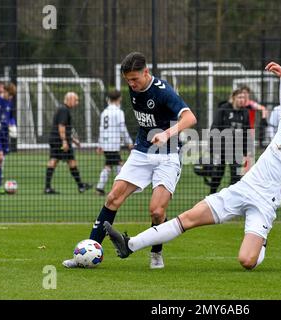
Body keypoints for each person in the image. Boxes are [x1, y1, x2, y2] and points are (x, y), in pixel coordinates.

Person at [103, 61, 281, 271]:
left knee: (247, 261)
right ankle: (130, 244)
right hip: (241, 189)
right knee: (187, 218)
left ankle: (260, 243)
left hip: (264, 206)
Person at [62, 52, 197, 269]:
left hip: (168, 154)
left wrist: (166, 134)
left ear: (146, 72)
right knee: (113, 197)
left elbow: (190, 117)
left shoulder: (163, 91)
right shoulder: (133, 88)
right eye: (128, 80)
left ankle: (156, 252)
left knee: (157, 211)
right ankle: (88, 252)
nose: (131, 84)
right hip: (142, 151)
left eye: (135, 79)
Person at [44, 92, 92, 194]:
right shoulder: (64, 110)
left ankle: (48, 188)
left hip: (56, 139)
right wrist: (64, 141)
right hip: (60, 140)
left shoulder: (63, 109)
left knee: (59, 160)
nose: (77, 102)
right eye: (76, 100)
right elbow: (61, 126)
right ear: (69, 99)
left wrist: (74, 140)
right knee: (67, 161)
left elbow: (65, 128)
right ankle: (80, 186)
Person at [206, 89, 252, 194]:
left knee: (236, 175)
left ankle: (230, 196)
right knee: (218, 173)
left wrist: (246, 152)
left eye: (243, 98)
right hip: (222, 147)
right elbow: (215, 128)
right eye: (239, 97)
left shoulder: (245, 112)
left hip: (236, 149)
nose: (242, 100)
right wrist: (213, 147)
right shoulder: (223, 109)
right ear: (233, 98)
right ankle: (212, 194)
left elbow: (246, 132)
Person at [95, 90, 134, 196]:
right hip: (113, 143)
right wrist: (129, 142)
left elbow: (101, 129)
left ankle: (100, 188)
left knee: (109, 165)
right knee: (119, 164)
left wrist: (100, 144)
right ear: (119, 98)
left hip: (106, 143)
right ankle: (120, 189)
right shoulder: (118, 112)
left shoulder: (104, 112)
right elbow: (122, 128)